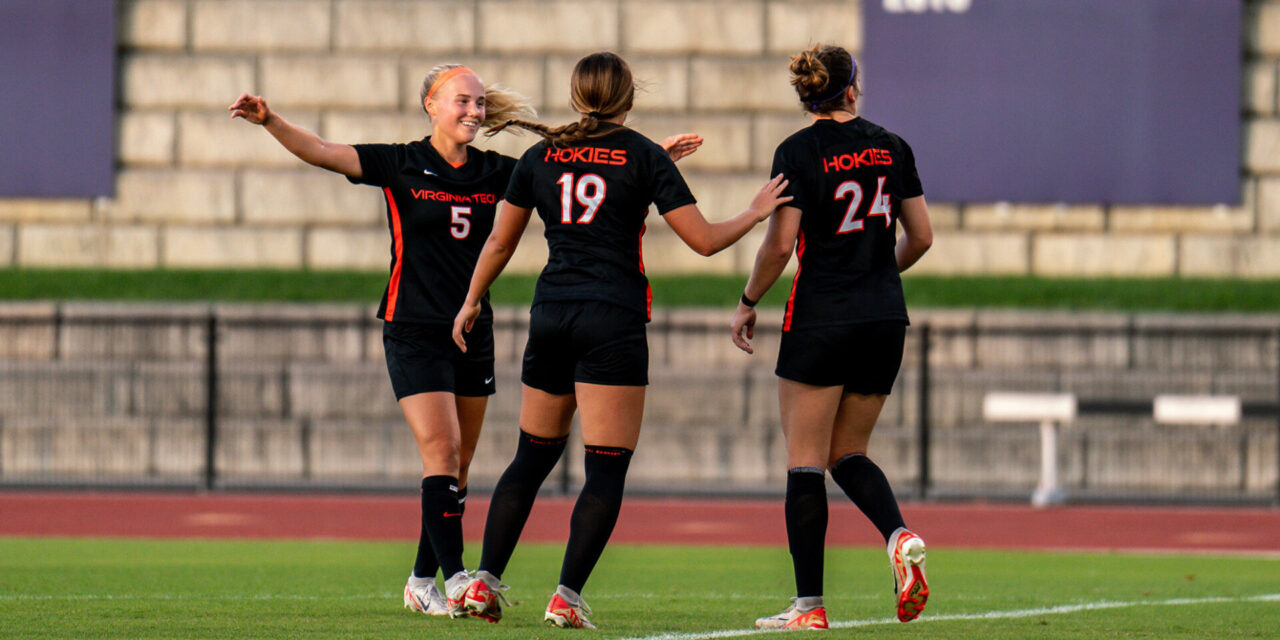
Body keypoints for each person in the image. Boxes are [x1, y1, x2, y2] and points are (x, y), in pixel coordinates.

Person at [451, 51, 791, 629]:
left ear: (577, 96)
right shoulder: (644, 156)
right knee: (605, 468)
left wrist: (471, 299)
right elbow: (705, 242)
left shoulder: (542, 154)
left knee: (530, 458)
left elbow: (500, 244)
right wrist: (756, 211)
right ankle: (566, 595)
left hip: (552, 314)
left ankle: (482, 581)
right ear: (630, 100)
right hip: (612, 319)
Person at [228, 64, 534, 619]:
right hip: (413, 328)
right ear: (430, 105)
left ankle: (422, 579)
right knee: (440, 452)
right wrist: (270, 121)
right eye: (462, 101)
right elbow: (323, 150)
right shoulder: (401, 162)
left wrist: (644, 159)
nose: (474, 111)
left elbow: (569, 178)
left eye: (480, 103)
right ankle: (459, 578)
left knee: (459, 466)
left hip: (473, 330)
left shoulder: (499, 172)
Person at [729, 44, 934, 630]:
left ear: (806, 94)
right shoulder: (893, 146)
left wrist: (747, 303)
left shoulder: (797, 150)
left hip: (821, 316)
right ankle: (899, 536)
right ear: (852, 87)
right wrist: (875, 278)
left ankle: (809, 607)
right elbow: (919, 236)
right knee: (849, 453)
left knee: (804, 463)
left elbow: (779, 244)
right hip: (884, 319)